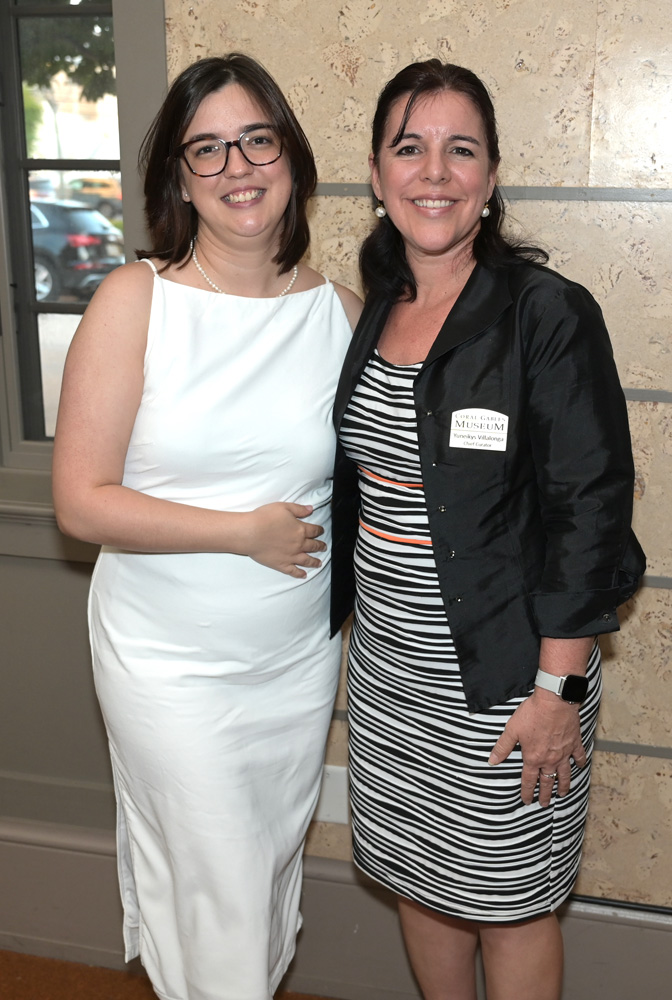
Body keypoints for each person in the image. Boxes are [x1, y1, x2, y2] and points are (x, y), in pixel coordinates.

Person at [330, 60, 645, 1000]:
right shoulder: (375, 308)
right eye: (410, 148)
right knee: (420, 889)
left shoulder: (545, 314)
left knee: (512, 906)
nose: (435, 171)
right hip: (390, 676)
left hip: (508, 684)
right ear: (380, 177)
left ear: (493, 175)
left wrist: (558, 688)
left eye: (459, 150)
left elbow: (591, 512)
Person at [52, 53, 361, 1000]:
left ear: (291, 158)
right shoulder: (134, 301)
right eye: (207, 149)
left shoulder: (340, 314)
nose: (237, 167)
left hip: (292, 666)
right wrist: (242, 533)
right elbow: (81, 500)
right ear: (180, 179)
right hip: (166, 664)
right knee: (221, 890)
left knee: (257, 885)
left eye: (256, 140)